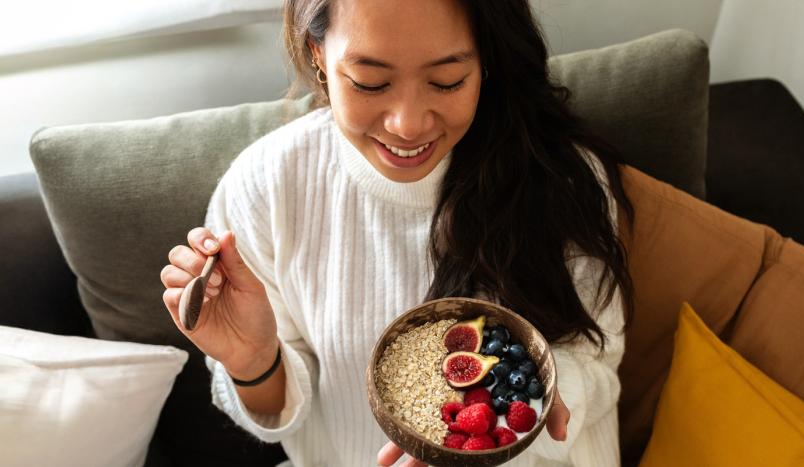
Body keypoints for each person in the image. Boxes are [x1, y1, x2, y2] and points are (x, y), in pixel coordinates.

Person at [160, 0, 634, 465]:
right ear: (318, 54)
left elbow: (595, 361)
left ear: (486, 58)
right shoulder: (266, 186)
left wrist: (498, 433)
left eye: (447, 81)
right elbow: (280, 409)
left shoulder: (561, 179)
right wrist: (253, 361)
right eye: (371, 83)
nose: (407, 124)